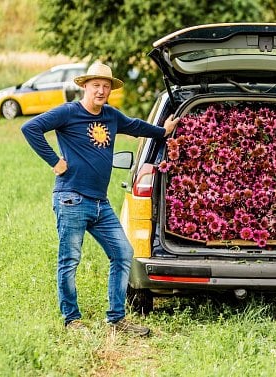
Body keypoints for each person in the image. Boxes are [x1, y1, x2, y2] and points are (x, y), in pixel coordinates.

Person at [21, 62, 179, 336]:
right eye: (96, 85)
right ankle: (71, 319)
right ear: (85, 86)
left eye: (106, 86)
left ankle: (116, 319)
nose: (101, 90)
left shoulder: (111, 116)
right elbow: (30, 128)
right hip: (71, 198)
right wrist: (54, 161)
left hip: (100, 203)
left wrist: (163, 131)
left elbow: (136, 126)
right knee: (69, 260)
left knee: (123, 253)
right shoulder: (68, 113)